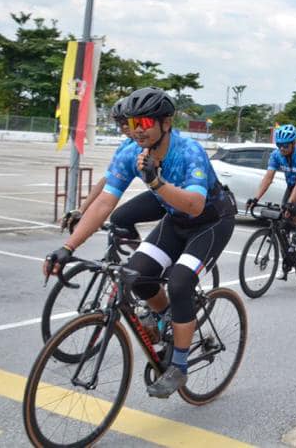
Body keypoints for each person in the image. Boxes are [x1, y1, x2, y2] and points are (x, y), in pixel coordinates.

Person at [44, 87, 237, 398]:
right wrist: (68, 247)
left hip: (211, 222)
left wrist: (156, 182)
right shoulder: (131, 152)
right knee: (138, 276)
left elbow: (195, 206)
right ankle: (167, 319)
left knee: (179, 282)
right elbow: (106, 203)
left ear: (166, 123)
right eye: (131, 125)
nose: (136, 132)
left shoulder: (189, 151)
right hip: (175, 221)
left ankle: (179, 366)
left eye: (143, 123)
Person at [60, 97, 165, 242]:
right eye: (120, 124)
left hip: (183, 198)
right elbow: (108, 180)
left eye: (128, 123)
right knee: (119, 219)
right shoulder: (127, 148)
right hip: (159, 196)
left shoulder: (161, 139)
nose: (125, 128)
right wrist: (81, 210)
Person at [248, 124, 296, 261]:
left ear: (294, 144)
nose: (282, 148)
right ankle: (288, 259)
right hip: (292, 186)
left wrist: (291, 204)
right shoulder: (276, 155)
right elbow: (268, 178)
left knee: (292, 209)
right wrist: (255, 198)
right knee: (283, 217)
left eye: (286, 146)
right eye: (279, 145)